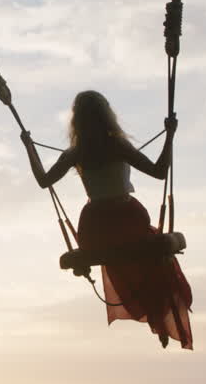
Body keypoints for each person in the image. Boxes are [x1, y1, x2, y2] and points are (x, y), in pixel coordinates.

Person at [20, 90, 193, 350]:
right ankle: (158, 317)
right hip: (127, 219)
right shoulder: (118, 145)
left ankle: (155, 319)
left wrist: (29, 149)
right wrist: (170, 135)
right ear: (106, 115)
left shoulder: (75, 153)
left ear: (77, 120)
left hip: (95, 227)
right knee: (154, 260)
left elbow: (44, 181)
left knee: (121, 265)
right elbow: (159, 172)